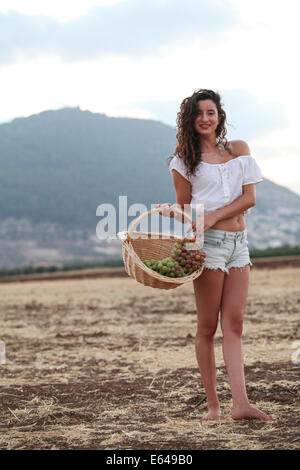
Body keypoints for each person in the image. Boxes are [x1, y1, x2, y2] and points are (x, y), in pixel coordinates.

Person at [156, 89, 274, 422]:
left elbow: (249, 198)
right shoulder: (182, 161)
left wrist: (212, 215)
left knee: (234, 324)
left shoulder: (238, 150)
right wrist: (175, 212)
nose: (205, 119)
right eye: (198, 114)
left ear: (219, 115)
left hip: (239, 244)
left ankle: (241, 404)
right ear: (190, 120)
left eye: (210, 112)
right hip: (207, 246)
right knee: (207, 327)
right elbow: (184, 205)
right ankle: (213, 407)